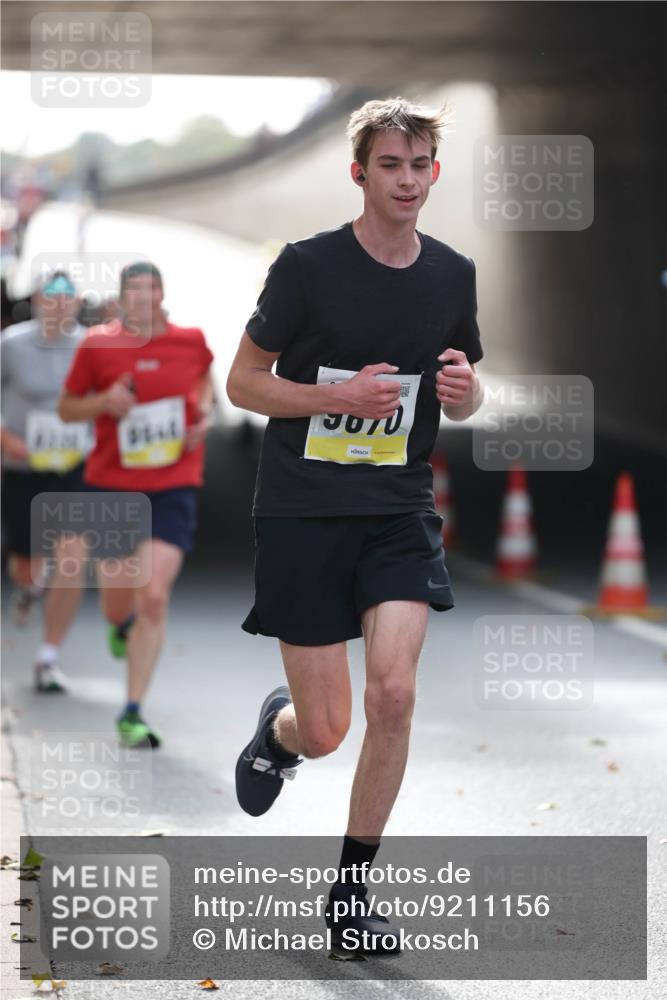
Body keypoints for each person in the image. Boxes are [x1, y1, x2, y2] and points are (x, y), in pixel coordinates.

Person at [227, 97, 485, 954]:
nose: (406, 181)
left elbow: (465, 380)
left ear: (432, 174)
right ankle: (279, 733)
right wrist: (334, 397)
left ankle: (349, 895)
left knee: (395, 695)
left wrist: (465, 394)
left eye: (419, 166)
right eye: (389, 166)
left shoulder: (452, 275)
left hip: (397, 511)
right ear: (359, 173)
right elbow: (243, 384)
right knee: (329, 729)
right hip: (302, 510)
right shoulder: (305, 267)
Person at [58, 262, 214, 748]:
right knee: (118, 598)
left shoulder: (190, 340)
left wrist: (203, 417)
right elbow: (67, 407)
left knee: (153, 596)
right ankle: (118, 624)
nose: (144, 297)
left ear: (163, 294)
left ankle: (132, 710)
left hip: (173, 483)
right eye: (134, 289)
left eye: (152, 288)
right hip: (112, 487)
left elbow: (206, 382)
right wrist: (103, 402)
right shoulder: (96, 345)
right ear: (123, 297)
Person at [1, 271, 89, 691]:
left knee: (72, 557)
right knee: (26, 562)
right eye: (49, 298)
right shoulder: (13, 344)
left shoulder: (92, 344)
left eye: (66, 298)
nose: (58, 305)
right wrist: (8, 439)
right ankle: (28, 588)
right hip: (24, 465)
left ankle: (48, 656)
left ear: (77, 302)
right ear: (36, 300)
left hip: (75, 464)